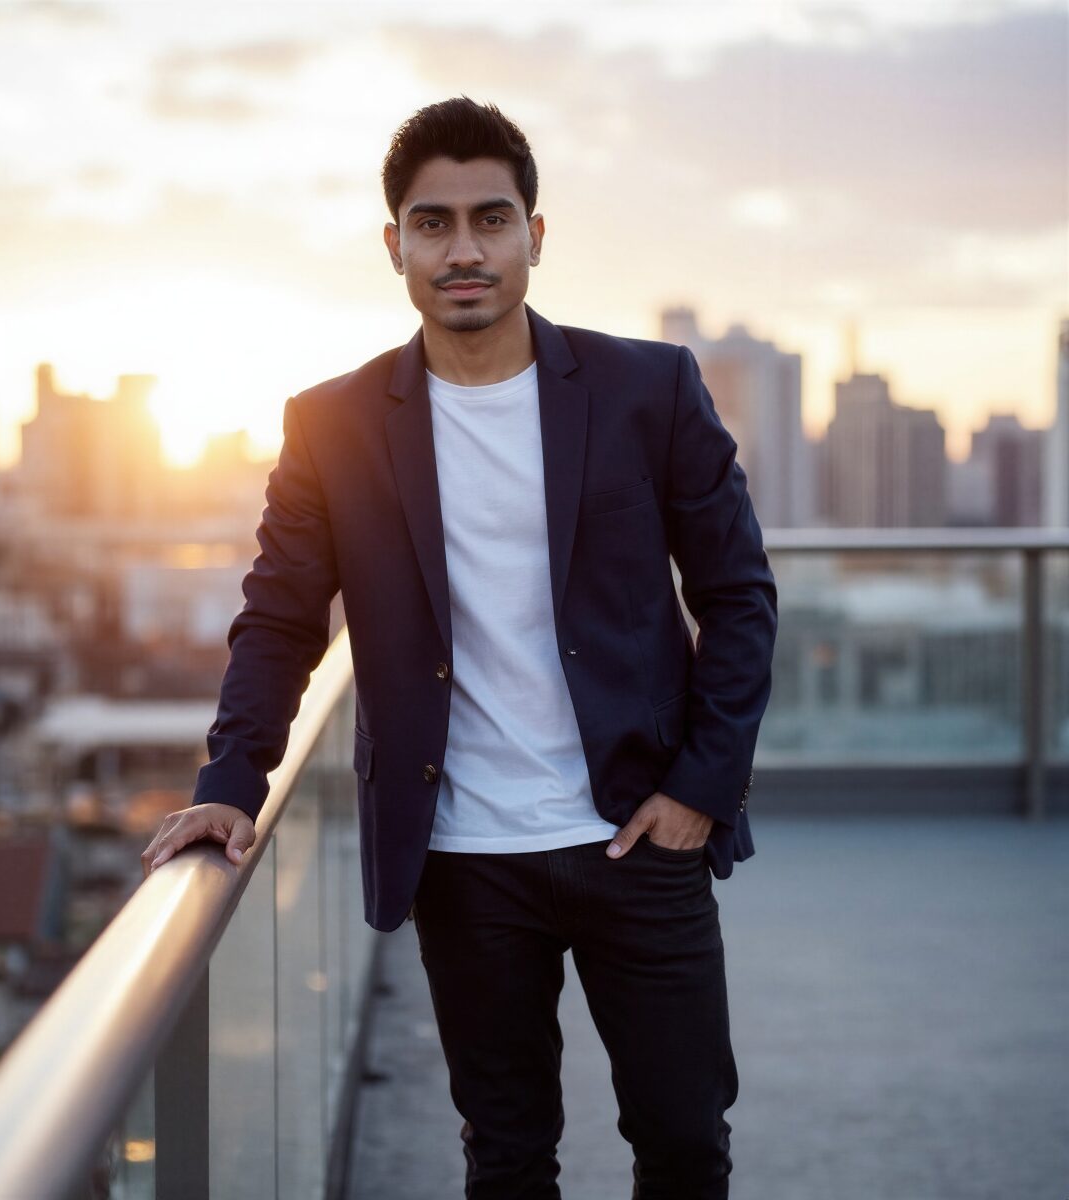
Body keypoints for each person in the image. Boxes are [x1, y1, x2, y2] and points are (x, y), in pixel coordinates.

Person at [142, 97, 777, 1199]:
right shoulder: (330, 425)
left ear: (537, 232)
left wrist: (700, 793)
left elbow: (740, 597)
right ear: (394, 247)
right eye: (433, 224)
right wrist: (230, 783)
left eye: (492, 218)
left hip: (642, 832)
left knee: (683, 1141)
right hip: (464, 854)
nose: (465, 249)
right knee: (508, 1155)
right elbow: (282, 617)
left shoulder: (649, 389)